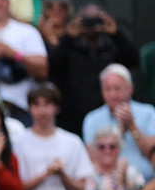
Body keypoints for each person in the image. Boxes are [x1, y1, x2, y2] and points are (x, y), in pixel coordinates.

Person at [50, 8, 140, 137]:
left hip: (108, 116)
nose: (91, 25)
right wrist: (67, 37)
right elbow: (53, 67)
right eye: (86, 20)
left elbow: (133, 60)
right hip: (72, 118)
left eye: (96, 20)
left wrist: (116, 34)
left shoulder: (111, 44)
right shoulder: (70, 46)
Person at [12, 83, 92, 190]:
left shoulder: (73, 142)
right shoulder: (18, 142)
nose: (42, 111)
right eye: (37, 104)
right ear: (30, 108)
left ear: (56, 107)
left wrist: (62, 175)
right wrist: (46, 174)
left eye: (47, 104)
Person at [82, 64, 155, 183]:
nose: (112, 95)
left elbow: (150, 153)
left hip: (148, 185)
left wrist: (132, 127)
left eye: (117, 89)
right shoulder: (92, 119)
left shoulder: (148, 113)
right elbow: (93, 159)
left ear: (130, 89)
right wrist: (118, 134)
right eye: (108, 89)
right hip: (108, 189)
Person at [86, 126, 148, 190]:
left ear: (119, 149)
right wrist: (116, 182)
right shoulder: (89, 174)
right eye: (102, 147)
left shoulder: (131, 171)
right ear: (95, 149)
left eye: (112, 147)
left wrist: (126, 180)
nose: (107, 151)